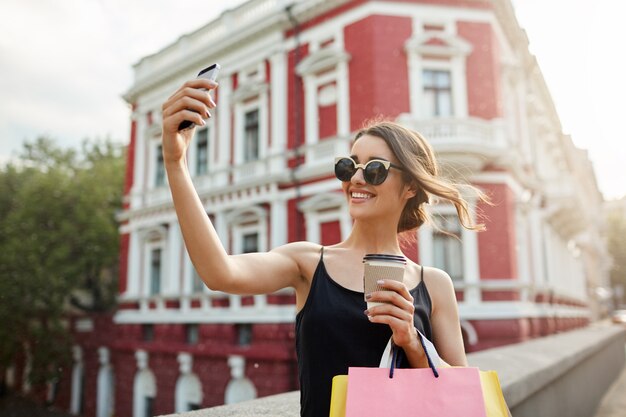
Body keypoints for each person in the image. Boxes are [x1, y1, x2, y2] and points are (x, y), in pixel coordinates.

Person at [161, 77, 487, 417]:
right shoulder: (307, 262)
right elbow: (220, 273)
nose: (356, 179)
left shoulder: (434, 284)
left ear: (409, 187)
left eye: (375, 169)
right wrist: (176, 164)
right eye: (349, 166)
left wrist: (413, 342)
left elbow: (460, 399)